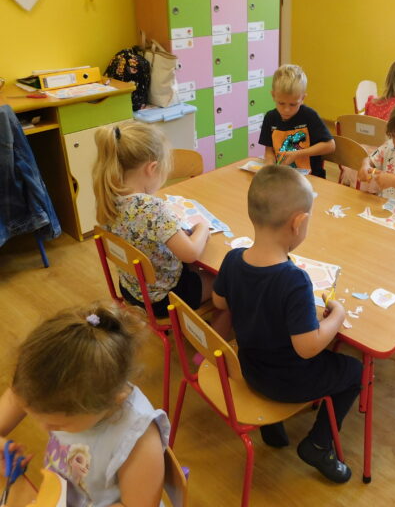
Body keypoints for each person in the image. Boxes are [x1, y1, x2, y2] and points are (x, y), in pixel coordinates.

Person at [212, 166, 362, 483]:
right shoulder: (294, 280)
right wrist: (337, 315)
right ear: (298, 222)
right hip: (288, 382)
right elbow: (307, 348)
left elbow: (219, 302)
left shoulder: (233, 259)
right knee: (354, 371)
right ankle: (318, 445)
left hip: (249, 369)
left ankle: (272, 428)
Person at [0, 303, 169, 507]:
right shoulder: (44, 387)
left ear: (113, 399)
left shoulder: (138, 441)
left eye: (58, 425)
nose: (44, 427)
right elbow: (17, 396)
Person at [92, 121, 216, 323]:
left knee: (198, 267)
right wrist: (202, 227)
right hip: (164, 297)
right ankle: (214, 329)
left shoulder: (109, 196)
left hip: (132, 289)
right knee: (227, 280)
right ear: (152, 168)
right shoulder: (150, 207)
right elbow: (190, 253)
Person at [259, 64, 335, 178]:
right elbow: (269, 151)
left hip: (311, 178)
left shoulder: (309, 116)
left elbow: (330, 146)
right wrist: (269, 166)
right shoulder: (270, 118)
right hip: (283, 176)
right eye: (281, 103)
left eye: (293, 104)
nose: (286, 109)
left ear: (302, 98)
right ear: (273, 95)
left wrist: (298, 154)